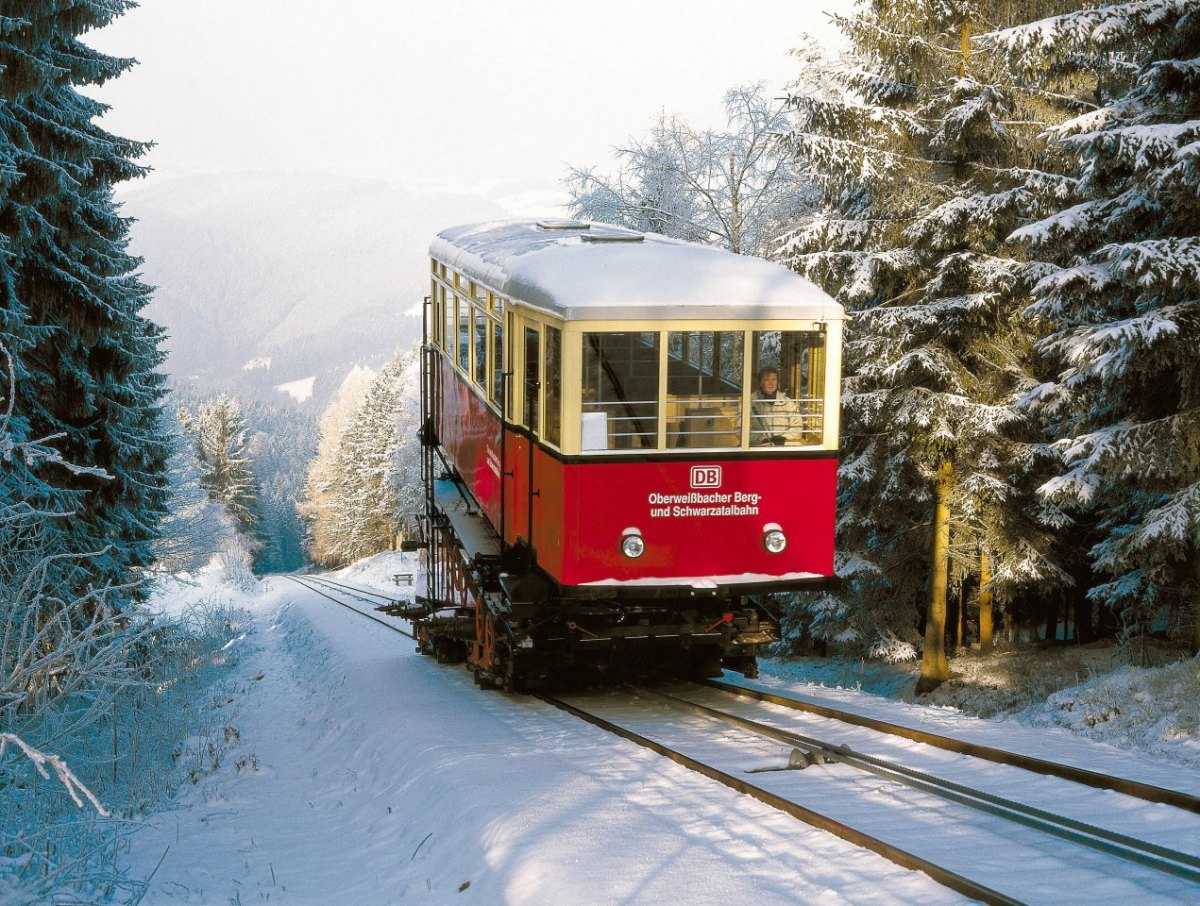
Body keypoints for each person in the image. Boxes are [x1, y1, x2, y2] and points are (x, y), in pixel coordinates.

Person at [751, 366, 804, 445]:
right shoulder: (750, 403)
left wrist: (783, 438)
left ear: (778, 382)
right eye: (766, 380)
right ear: (760, 383)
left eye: (774, 379)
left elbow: (798, 427)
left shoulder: (788, 403)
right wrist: (763, 439)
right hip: (758, 450)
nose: (771, 383)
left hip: (783, 448)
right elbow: (740, 430)